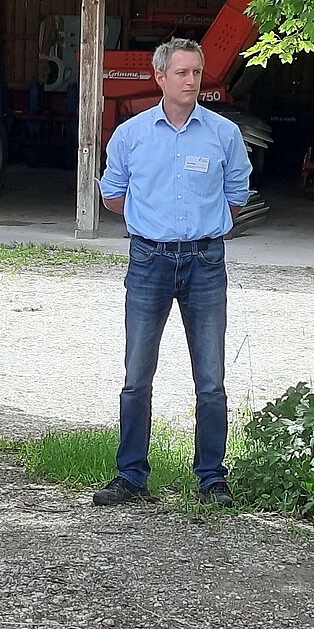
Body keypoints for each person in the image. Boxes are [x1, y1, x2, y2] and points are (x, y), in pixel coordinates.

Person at [92, 38, 252, 508]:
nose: (191, 81)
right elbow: (113, 195)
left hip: (205, 261)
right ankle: (131, 475)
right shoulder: (131, 134)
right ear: (160, 77)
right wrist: (153, 225)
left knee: (211, 378)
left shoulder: (223, 134)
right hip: (149, 261)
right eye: (181, 73)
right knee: (137, 375)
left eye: (197, 73)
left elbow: (237, 194)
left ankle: (211, 478)